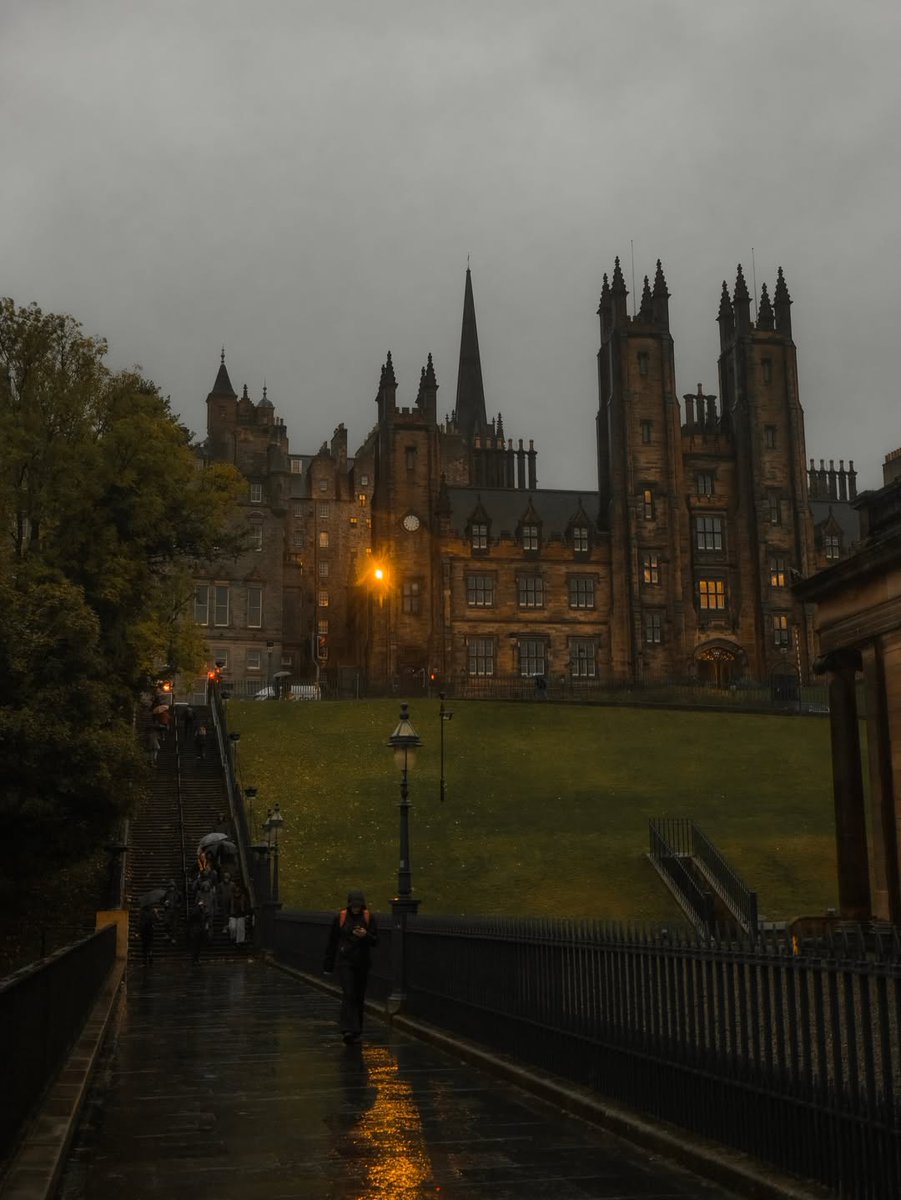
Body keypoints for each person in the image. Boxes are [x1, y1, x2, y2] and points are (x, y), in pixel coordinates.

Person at [323, 889, 378, 1044]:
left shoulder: (368, 918)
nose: (356, 908)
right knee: (349, 993)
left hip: (362, 962)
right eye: (353, 905)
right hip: (345, 961)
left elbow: (375, 941)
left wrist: (365, 935)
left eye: (358, 905)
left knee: (359, 995)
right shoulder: (340, 917)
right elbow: (332, 941)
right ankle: (348, 1029)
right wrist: (328, 964)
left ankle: (356, 1029)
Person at [187, 897, 210, 964]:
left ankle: (196, 959)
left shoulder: (203, 911)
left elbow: (206, 918)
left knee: (199, 946)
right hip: (195, 930)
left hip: (200, 930)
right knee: (195, 945)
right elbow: (192, 918)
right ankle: (194, 959)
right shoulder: (196, 910)